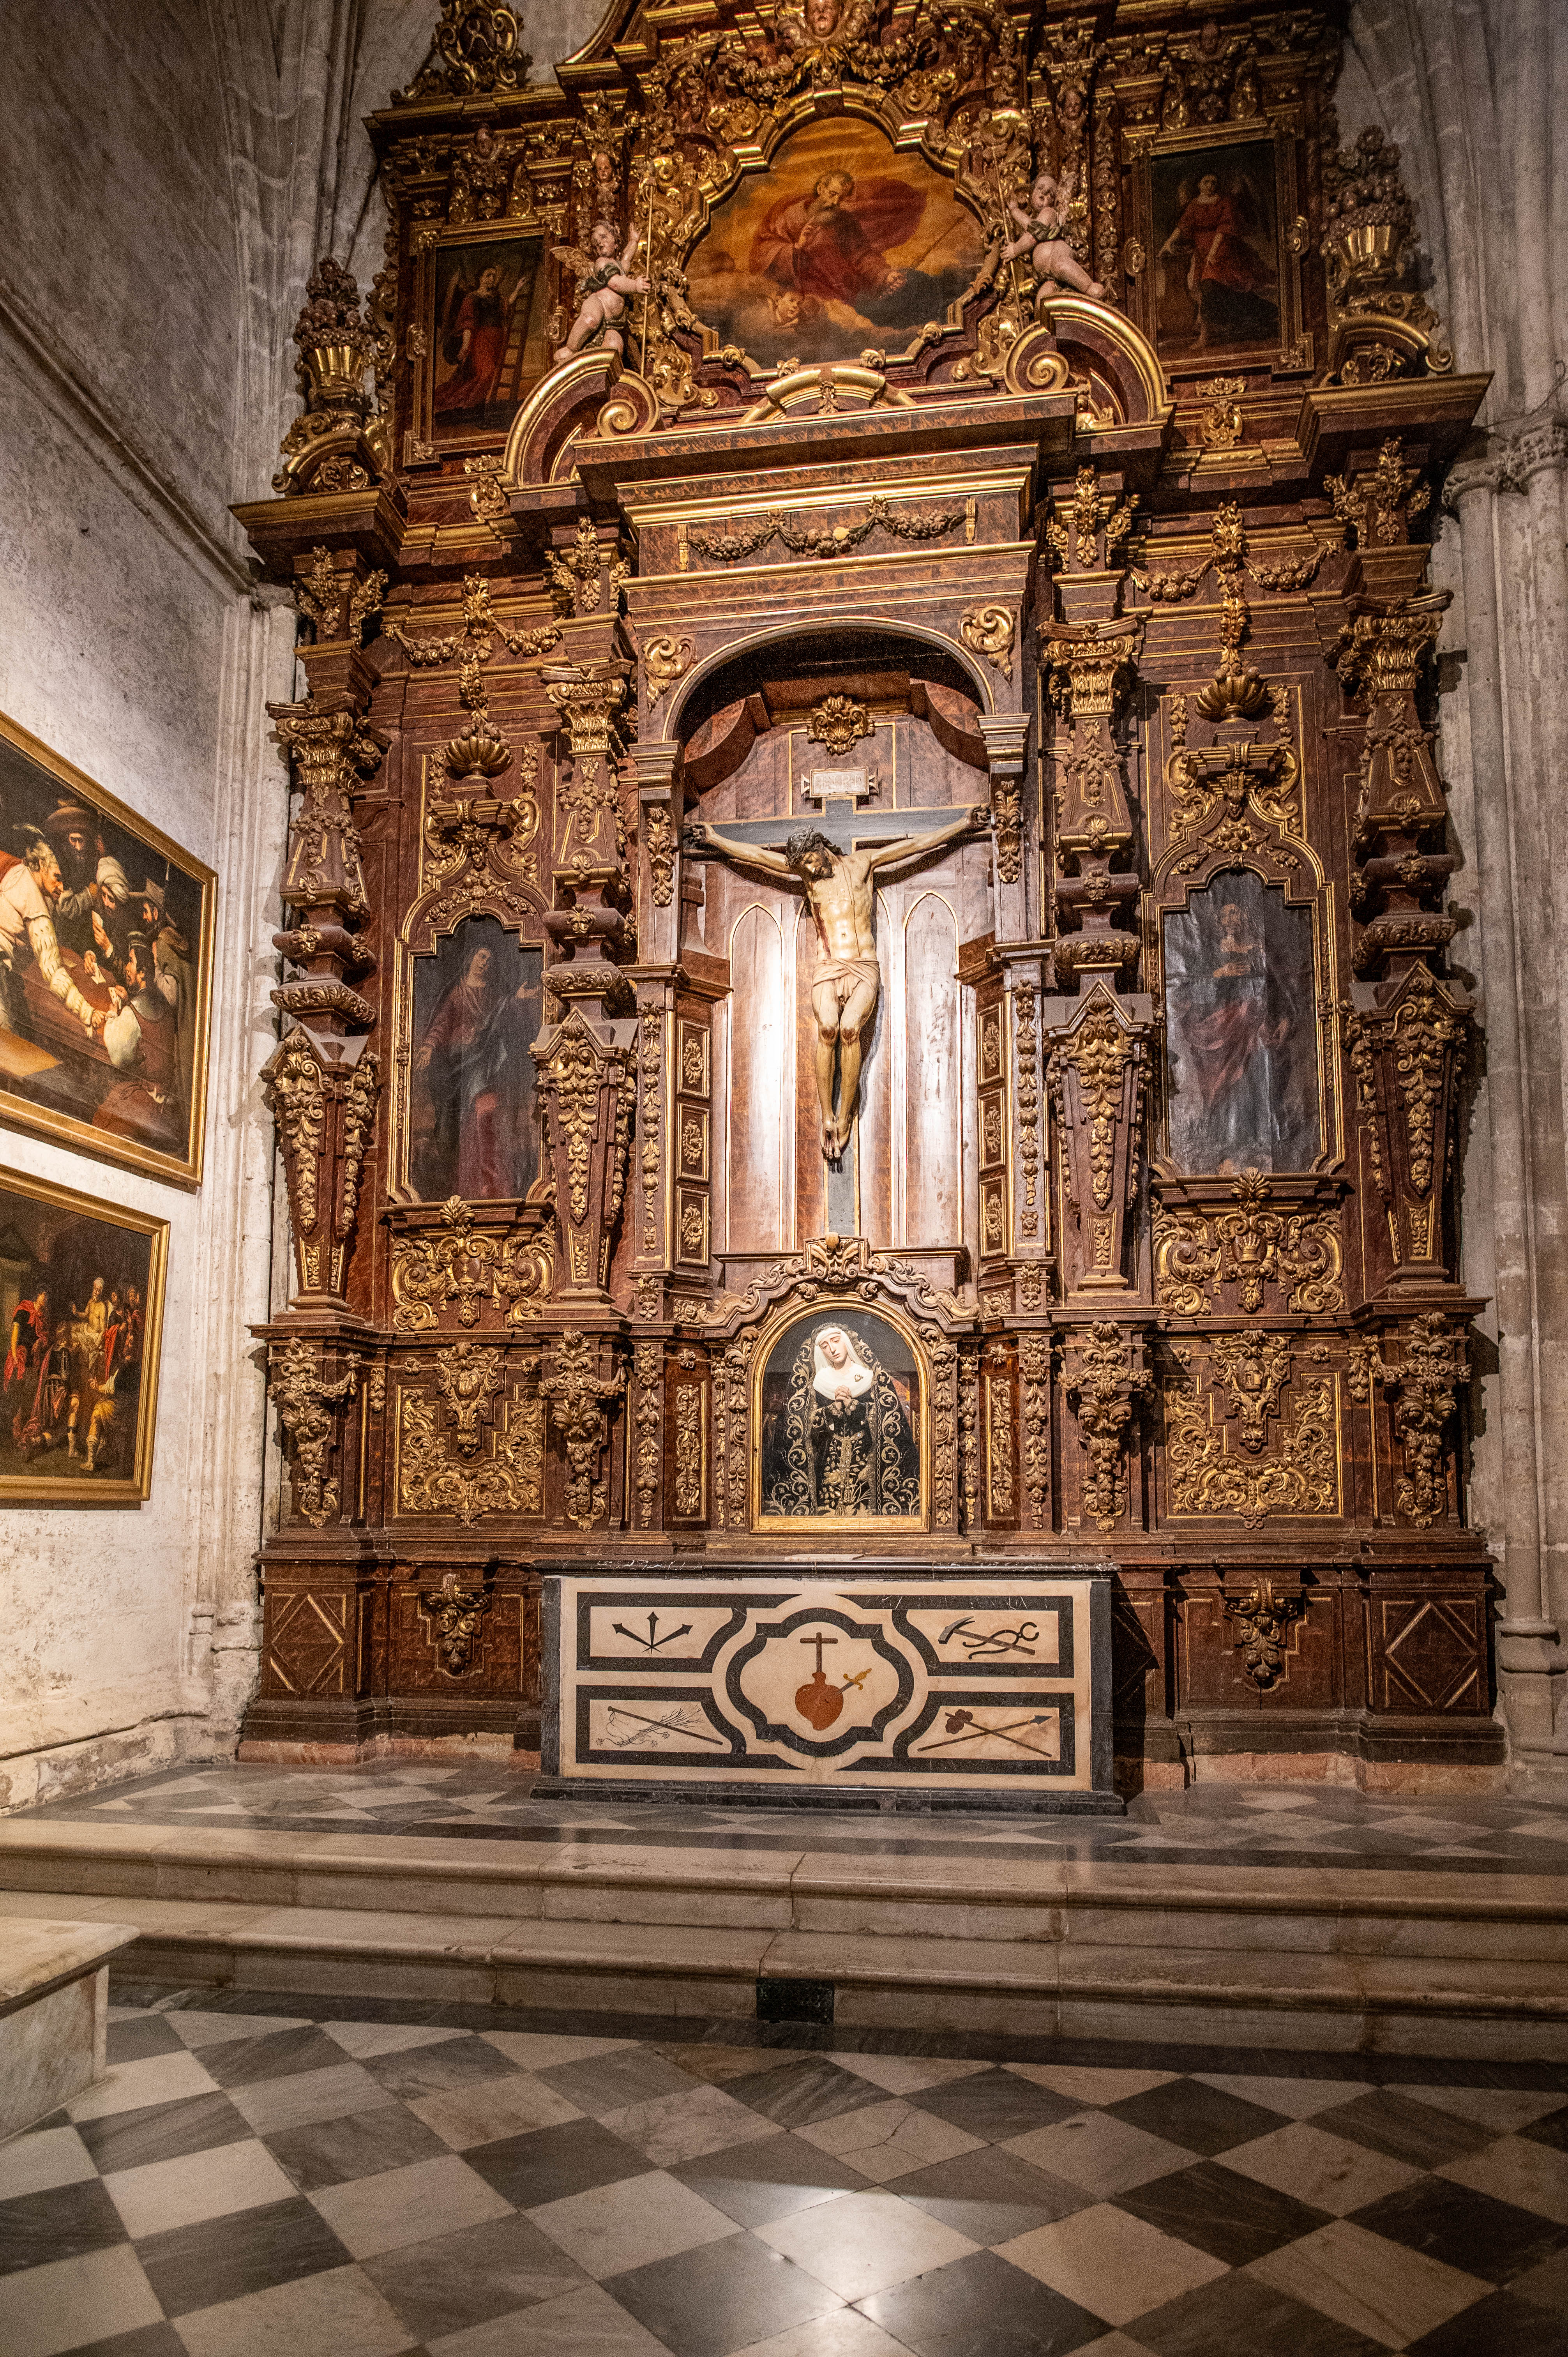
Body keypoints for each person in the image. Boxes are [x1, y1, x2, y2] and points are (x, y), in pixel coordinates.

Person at [685, 805, 987, 1160]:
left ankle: (845, 1116)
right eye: (804, 868)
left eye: (812, 861)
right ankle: (826, 1114)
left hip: (863, 965)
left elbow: (917, 845)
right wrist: (716, 838)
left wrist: (963, 824)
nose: (811, 870)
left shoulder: (863, 865)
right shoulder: (808, 879)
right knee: (827, 1028)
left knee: (848, 1031)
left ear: (822, 848)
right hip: (828, 966)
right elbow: (756, 857)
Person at [412, 939, 538, 1199]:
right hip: (458, 1062)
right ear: (470, 959)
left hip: (484, 1060)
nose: (485, 963)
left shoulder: (491, 994)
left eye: (489, 960)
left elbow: (500, 1015)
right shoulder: (457, 993)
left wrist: (517, 998)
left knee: (484, 1113)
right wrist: (428, 1046)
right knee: (458, 1119)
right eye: (482, 957)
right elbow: (441, 1024)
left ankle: (490, 1183)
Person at [763, 1322, 920, 1518]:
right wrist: (832, 1410)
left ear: (846, 1342)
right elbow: (800, 1425)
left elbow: (890, 1417)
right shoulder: (819, 1383)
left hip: (866, 1457)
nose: (833, 1349)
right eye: (825, 1346)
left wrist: (856, 1407)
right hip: (829, 1460)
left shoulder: (869, 1377)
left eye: (836, 1341)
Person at [751, 172, 921, 319]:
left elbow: (861, 254)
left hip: (843, 293)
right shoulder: (790, 216)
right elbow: (764, 251)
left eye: (841, 198)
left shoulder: (844, 221)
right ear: (820, 189)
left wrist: (883, 274)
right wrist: (796, 248)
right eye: (833, 194)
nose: (835, 203)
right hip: (804, 295)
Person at [0, 831, 106, 1046]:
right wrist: (88, 1012)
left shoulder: (15, 870)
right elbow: (54, 972)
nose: (62, 889)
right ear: (41, 864)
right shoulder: (34, 900)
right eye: (58, 878)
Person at [1157, 170, 1278, 349]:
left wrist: (1213, 253)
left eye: (1214, 182)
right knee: (1226, 290)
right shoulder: (1194, 205)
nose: (1210, 186)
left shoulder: (1224, 202)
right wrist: (1167, 243)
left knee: (1209, 287)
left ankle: (1205, 337)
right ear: (1199, 185)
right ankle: (1265, 312)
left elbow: (1224, 229)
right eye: (1206, 182)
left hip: (1222, 249)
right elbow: (1183, 226)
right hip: (1203, 252)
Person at [434, 261, 523, 419]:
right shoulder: (471, 298)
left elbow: (507, 304)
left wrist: (517, 289)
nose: (492, 279)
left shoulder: (495, 297)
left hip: (496, 340)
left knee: (478, 374)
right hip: (480, 339)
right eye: (488, 275)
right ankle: (468, 405)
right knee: (486, 373)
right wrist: (465, 346)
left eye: (494, 276)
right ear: (480, 278)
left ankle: (475, 410)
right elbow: (468, 324)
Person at [552, 223, 649, 363]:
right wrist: (635, 286)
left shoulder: (621, 266)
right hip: (598, 303)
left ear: (616, 243)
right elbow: (615, 282)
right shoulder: (601, 263)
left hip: (614, 323)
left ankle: (601, 377)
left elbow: (628, 257)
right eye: (596, 244)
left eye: (603, 237)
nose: (600, 244)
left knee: (615, 347)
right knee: (590, 320)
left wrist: (634, 241)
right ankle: (571, 349)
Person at [1003, 170, 1104, 302]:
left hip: (1058, 260)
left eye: (1050, 194)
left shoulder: (1049, 213)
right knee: (1042, 302)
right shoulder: (1035, 219)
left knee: (1063, 267)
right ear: (1031, 193)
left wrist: (1015, 249)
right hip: (1048, 277)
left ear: (1055, 201)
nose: (1044, 194)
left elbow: (1034, 233)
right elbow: (1029, 228)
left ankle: (1094, 291)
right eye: (1040, 189)